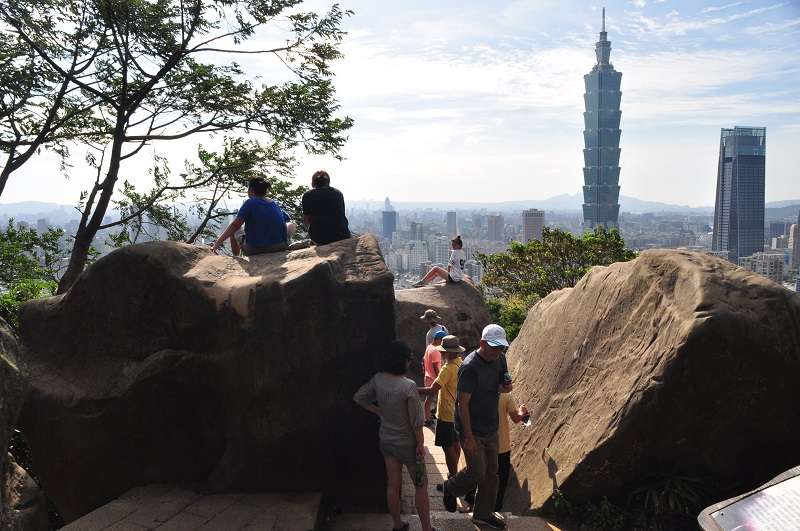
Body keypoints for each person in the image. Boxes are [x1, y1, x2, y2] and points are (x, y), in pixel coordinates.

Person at [353, 341, 436, 531]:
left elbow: (359, 397)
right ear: (402, 361)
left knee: (393, 484)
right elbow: (417, 421)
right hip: (408, 444)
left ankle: (398, 524)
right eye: (408, 359)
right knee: (421, 485)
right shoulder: (408, 386)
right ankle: (427, 528)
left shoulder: (378, 379)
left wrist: (378, 411)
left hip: (387, 441)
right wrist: (421, 445)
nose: (409, 363)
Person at [441, 324, 511, 530]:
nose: (498, 351)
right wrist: (468, 436)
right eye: (494, 347)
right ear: (482, 343)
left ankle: (482, 514)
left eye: (501, 347)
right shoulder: (470, 367)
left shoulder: (500, 359)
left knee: (492, 473)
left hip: (491, 425)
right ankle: (450, 487)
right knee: (477, 470)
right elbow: (463, 404)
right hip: (471, 427)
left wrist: (506, 386)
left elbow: (502, 382)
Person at [418, 335, 464, 482]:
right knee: (456, 445)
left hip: (446, 415)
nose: (441, 354)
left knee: (447, 447)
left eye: (443, 352)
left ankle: (452, 479)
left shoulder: (447, 368)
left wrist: (411, 388)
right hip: (457, 413)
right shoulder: (460, 363)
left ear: (447, 353)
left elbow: (432, 389)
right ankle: (454, 475)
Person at [212, 177, 296, 256]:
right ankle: (288, 242)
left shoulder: (250, 203)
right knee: (290, 224)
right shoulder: (274, 203)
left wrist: (217, 244)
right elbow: (287, 220)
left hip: (254, 249)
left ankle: (236, 257)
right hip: (279, 246)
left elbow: (235, 225)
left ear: (251, 190)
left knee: (234, 229)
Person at [495, 393, 529, 513]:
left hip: (483, 443)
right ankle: (496, 507)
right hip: (501, 447)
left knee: (484, 476)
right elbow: (516, 418)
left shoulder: (481, 388)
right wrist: (522, 410)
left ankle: (477, 505)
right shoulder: (505, 396)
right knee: (502, 478)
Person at [301, 170, 351, 245]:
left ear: (313, 183)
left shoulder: (307, 195)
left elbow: (306, 221)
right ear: (328, 182)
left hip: (320, 239)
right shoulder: (338, 193)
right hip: (343, 235)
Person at [422, 330, 446, 426]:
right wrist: (442, 379)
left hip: (428, 376)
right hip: (433, 378)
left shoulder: (429, 347)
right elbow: (436, 367)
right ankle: (427, 419)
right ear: (439, 340)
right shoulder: (436, 350)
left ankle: (427, 416)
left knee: (429, 399)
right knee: (433, 398)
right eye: (443, 341)